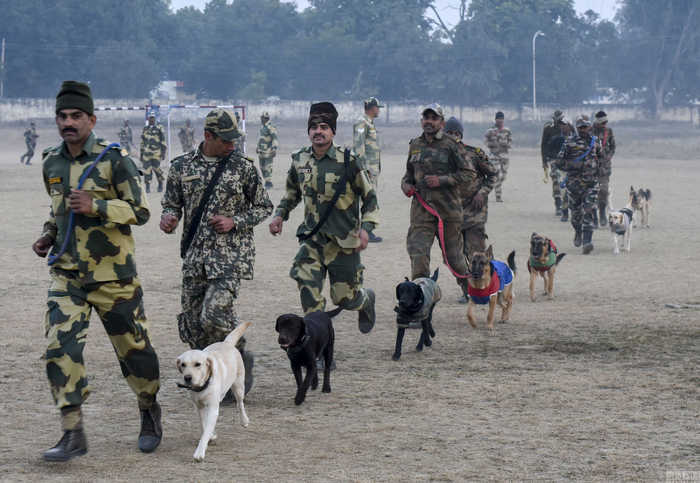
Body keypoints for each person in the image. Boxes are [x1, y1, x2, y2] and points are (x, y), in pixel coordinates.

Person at [32, 81, 161, 461]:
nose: (68, 123)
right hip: (68, 276)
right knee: (60, 350)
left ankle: (149, 409)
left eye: (76, 116)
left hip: (114, 277)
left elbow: (140, 211)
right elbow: (58, 212)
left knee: (136, 353)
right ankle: (72, 433)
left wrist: (98, 207)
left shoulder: (113, 160)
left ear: (91, 119)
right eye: (62, 116)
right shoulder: (51, 162)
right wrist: (47, 235)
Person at [161, 108, 272, 397]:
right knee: (193, 326)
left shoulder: (244, 167)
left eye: (235, 139)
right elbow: (171, 203)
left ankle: (239, 353)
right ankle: (209, 381)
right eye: (226, 140)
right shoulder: (181, 166)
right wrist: (169, 218)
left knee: (214, 316)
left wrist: (235, 221)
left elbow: (263, 207)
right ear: (208, 136)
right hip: (195, 258)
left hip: (230, 257)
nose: (232, 144)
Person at [269, 102, 378, 334]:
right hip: (312, 240)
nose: (318, 131)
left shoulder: (349, 161)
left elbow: (370, 198)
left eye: (324, 127)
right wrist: (280, 215)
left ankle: (366, 300)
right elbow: (292, 193)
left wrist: (366, 228)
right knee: (309, 295)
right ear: (308, 132)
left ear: (333, 131)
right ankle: (316, 347)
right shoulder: (299, 160)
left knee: (345, 299)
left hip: (344, 243)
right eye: (314, 127)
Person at [401, 104, 472, 299]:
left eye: (434, 118)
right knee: (418, 254)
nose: (429, 121)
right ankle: (420, 299)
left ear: (441, 122)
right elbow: (408, 175)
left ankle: (472, 292)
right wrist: (406, 185)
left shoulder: (451, 144)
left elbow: (468, 174)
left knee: (454, 258)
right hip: (421, 212)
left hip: (447, 212)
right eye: (426, 118)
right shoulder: (415, 144)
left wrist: (442, 180)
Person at [444, 117, 498, 303]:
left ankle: (490, 287)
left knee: (477, 255)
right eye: (448, 133)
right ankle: (467, 289)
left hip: (474, 214)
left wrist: (482, 193)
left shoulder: (474, 154)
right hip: (450, 216)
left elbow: (492, 176)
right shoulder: (439, 157)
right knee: (452, 258)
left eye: (455, 133)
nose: (451, 137)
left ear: (460, 135)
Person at [555, 115, 603, 254]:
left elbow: (602, 158)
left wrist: (597, 172)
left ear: (590, 127)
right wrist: (572, 165)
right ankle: (578, 232)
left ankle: (587, 242)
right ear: (577, 128)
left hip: (591, 184)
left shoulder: (595, 142)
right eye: (580, 127)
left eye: (585, 127)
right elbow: (559, 162)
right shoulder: (569, 143)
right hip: (574, 184)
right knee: (575, 215)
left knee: (588, 211)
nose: (583, 129)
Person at [353, 97, 384, 243]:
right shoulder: (362, 122)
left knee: (369, 198)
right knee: (369, 198)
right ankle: (366, 230)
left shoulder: (369, 123)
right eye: (378, 107)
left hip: (372, 168)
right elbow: (359, 147)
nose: (378, 110)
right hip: (367, 169)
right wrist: (363, 168)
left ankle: (364, 229)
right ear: (372, 108)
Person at [541, 110, 575, 220]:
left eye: (560, 121)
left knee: (566, 182)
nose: (559, 123)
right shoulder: (548, 128)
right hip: (553, 159)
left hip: (567, 160)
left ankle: (567, 204)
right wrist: (544, 161)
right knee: (555, 179)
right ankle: (558, 204)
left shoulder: (570, 127)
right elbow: (544, 145)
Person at [592, 110, 616, 226]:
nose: (604, 124)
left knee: (604, 191)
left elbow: (613, 147)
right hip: (590, 167)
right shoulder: (589, 131)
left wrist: (608, 157)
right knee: (591, 192)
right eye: (602, 122)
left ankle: (602, 213)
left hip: (604, 168)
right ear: (596, 122)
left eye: (605, 122)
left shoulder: (609, 131)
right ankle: (594, 217)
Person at [484, 111, 512, 202]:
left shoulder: (507, 131)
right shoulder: (490, 131)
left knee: (503, 176)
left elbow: (511, 141)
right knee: (497, 174)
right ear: (495, 119)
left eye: (501, 119)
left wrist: (506, 144)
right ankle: (498, 195)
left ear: (503, 120)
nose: (500, 121)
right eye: (498, 119)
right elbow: (486, 141)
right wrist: (492, 144)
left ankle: (496, 186)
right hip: (494, 156)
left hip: (504, 156)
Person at [140, 112, 166, 193]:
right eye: (150, 118)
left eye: (153, 118)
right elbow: (142, 142)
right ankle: (148, 187)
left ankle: (160, 183)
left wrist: (163, 152)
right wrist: (141, 153)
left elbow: (163, 141)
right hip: (146, 154)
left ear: (155, 119)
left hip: (156, 153)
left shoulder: (159, 128)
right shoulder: (145, 128)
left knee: (157, 169)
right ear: (148, 119)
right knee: (147, 170)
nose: (152, 119)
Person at [256, 111, 279, 189]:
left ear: (266, 118)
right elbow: (260, 138)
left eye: (262, 118)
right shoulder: (262, 127)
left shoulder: (271, 127)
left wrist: (274, 148)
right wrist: (257, 147)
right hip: (261, 151)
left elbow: (275, 138)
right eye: (261, 118)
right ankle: (267, 180)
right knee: (262, 167)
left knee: (268, 167)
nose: (261, 119)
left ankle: (268, 182)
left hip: (268, 151)